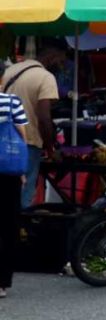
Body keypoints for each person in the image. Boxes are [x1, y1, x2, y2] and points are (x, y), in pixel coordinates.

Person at [2, 41, 64, 209]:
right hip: (27, 142)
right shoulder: (46, 77)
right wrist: (50, 149)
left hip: (4, 140)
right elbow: (44, 117)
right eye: (60, 61)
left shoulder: (11, 70)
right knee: (24, 190)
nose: (62, 67)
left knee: (6, 192)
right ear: (51, 58)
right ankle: (20, 230)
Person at [0, 90, 28, 298]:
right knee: (8, 224)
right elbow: (21, 134)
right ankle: (1, 282)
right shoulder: (11, 102)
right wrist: (22, 169)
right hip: (7, 171)